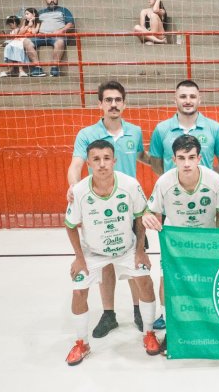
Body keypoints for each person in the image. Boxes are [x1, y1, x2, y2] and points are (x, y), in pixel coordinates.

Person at [64, 140, 160, 366]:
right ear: (88, 163)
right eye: (96, 159)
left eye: (107, 158)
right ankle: (82, 342)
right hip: (93, 254)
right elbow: (69, 224)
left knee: (145, 281)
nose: (102, 164)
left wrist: (140, 251)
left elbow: (139, 216)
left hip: (127, 249)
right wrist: (79, 257)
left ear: (114, 161)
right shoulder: (79, 191)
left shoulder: (130, 184)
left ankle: (149, 333)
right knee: (78, 292)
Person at [67, 81, 150, 339]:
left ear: (124, 103)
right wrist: (74, 189)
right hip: (100, 206)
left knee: (137, 260)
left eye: (118, 99)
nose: (113, 104)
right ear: (100, 104)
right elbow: (76, 164)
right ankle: (109, 313)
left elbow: (145, 158)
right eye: (108, 100)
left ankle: (139, 310)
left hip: (129, 208)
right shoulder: (87, 134)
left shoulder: (134, 131)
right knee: (105, 264)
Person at [141, 135, 219, 355]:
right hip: (175, 246)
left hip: (206, 244)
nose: (186, 163)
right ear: (173, 159)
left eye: (191, 157)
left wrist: (218, 243)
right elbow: (150, 211)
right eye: (181, 158)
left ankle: (210, 329)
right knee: (166, 285)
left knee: (209, 286)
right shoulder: (164, 182)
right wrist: (146, 218)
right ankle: (172, 331)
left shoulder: (214, 180)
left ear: (199, 158)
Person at [150, 80, 219, 176]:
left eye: (192, 97)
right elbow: (155, 165)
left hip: (204, 190)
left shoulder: (214, 128)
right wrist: (171, 181)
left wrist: (207, 178)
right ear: (175, 100)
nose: (188, 101)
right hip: (173, 190)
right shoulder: (161, 129)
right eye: (183, 97)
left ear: (199, 100)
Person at [24, 0, 75, 77]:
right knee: (26, 42)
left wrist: (60, 31)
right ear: (45, 0)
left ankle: (55, 68)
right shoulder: (40, 12)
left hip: (57, 36)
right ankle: (37, 68)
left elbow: (71, 24)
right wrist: (36, 31)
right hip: (41, 36)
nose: (52, 0)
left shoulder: (64, 10)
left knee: (60, 42)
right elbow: (33, 24)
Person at [0, 13, 35, 78]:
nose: (10, 26)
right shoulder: (12, 30)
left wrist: (28, 25)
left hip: (19, 42)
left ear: (14, 23)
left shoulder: (18, 29)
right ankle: (10, 69)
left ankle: (20, 70)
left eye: (11, 24)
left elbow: (18, 35)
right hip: (12, 43)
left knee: (17, 47)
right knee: (8, 47)